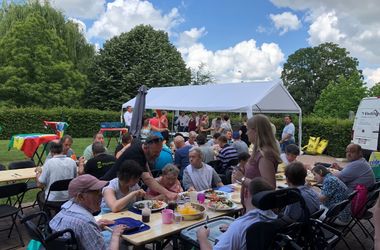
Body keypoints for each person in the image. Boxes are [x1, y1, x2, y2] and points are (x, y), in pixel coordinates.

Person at [197, 177, 277, 250]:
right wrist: (233, 230)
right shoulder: (275, 218)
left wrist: (202, 238)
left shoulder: (239, 227)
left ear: (246, 193)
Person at [49, 175, 126, 250]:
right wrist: (115, 235)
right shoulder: (85, 222)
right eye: (96, 192)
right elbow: (83, 225)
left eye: (100, 191)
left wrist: (95, 227)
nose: (101, 195)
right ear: (80, 197)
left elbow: (77, 231)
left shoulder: (65, 210)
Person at [101, 134, 177, 200]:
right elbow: (147, 179)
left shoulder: (140, 145)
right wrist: (168, 193)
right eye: (155, 152)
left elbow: (145, 162)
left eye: (159, 151)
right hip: (112, 186)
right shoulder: (136, 155)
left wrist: (151, 176)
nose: (157, 155)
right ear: (146, 148)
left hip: (123, 186)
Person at [232, 114, 281, 188]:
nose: (246, 133)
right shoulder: (259, 152)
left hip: (256, 198)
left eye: (248, 129)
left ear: (256, 131)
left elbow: (269, 186)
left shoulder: (265, 154)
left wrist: (242, 178)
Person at [36, 141, 77, 209]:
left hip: (52, 199)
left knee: (39, 194)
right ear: (62, 149)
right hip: (69, 198)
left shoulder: (49, 163)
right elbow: (75, 179)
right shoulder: (72, 162)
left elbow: (40, 184)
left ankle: (47, 216)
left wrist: (38, 173)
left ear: (51, 151)